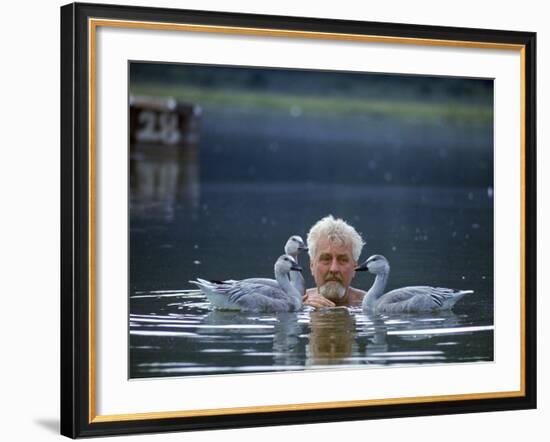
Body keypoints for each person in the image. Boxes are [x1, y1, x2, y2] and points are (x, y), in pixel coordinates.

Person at [303, 215, 366, 308]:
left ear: (355, 268)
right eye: (326, 259)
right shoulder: (294, 304)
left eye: (342, 260)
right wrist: (302, 308)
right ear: (312, 265)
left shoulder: (372, 305)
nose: (334, 269)